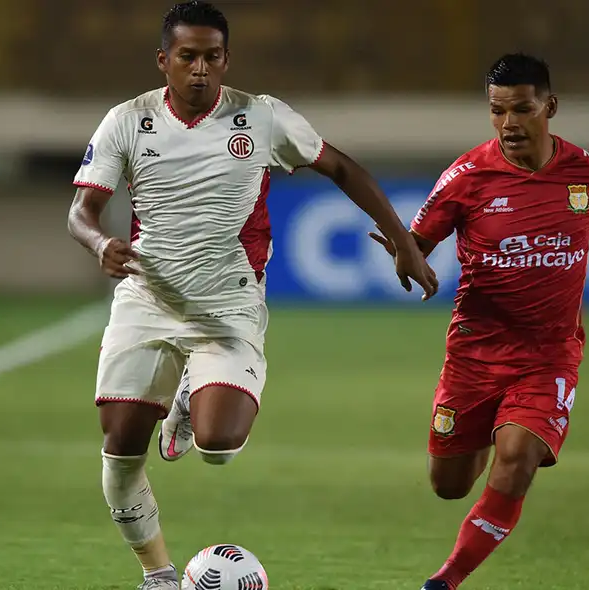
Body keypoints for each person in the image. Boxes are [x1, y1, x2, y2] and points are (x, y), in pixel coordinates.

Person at [66, 2, 438, 588]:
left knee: (219, 444)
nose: (199, 69)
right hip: (146, 300)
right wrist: (97, 242)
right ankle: (159, 576)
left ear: (226, 58)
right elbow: (82, 211)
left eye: (212, 56)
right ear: (164, 60)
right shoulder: (126, 121)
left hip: (228, 307)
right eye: (187, 56)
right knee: (119, 457)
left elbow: (343, 169)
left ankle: (191, 394)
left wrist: (404, 242)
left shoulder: (260, 118)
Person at [370, 53, 589, 590]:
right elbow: (419, 243)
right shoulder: (466, 176)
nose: (509, 124)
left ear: (549, 107)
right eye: (498, 111)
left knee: (518, 456)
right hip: (475, 353)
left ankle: (446, 580)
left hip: (550, 355)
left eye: (522, 109)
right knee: (449, 485)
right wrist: (409, 257)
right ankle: (489, 436)